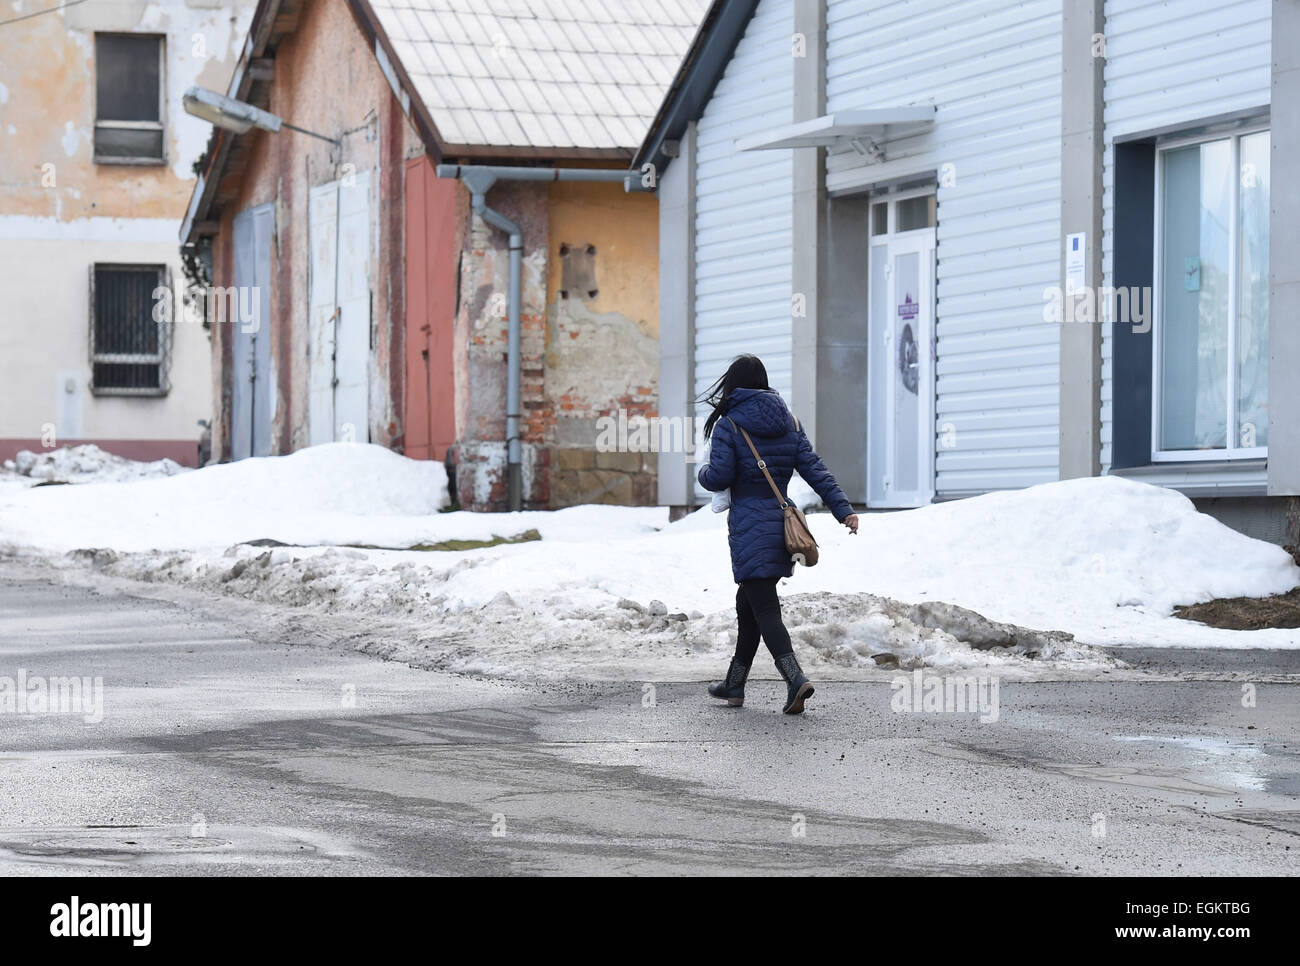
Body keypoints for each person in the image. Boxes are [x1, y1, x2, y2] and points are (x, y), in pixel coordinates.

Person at [697, 355, 859, 714]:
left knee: (765, 608)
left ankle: (795, 679)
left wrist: (703, 475)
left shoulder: (729, 425)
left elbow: (719, 476)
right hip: (781, 523)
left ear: (733, 385)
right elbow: (816, 471)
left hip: (750, 526)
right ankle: (734, 684)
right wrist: (843, 509)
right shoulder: (790, 422)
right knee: (749, 606)